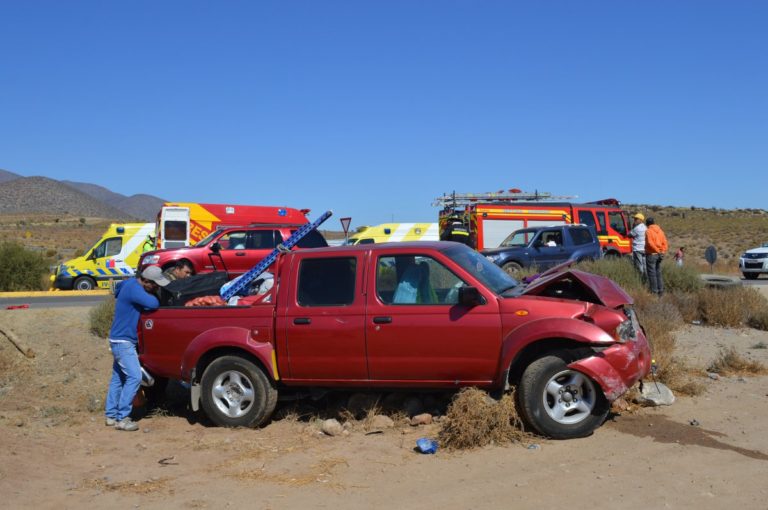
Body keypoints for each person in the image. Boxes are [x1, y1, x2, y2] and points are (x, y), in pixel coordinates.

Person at [105, 265, 169, 431]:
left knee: (118, 379)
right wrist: (152, 296)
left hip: (117, 339)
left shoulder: (129, 284)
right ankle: (123, 418)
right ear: (146, 281)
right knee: (134, 376)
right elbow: (153, 303)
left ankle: (111, 415)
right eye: (154, 285)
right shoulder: (135, 289)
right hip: (124, 341)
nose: (156, 288)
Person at [644, 217, 668, 296]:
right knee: (658, 273)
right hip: (659, 255)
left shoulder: (648, 231)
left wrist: (657, 251)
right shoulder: (660, 231)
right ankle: (661, 291)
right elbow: (665, 242)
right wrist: (662, 252)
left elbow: (650, 243)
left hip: (651, 254)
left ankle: (654, 292)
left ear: (647, 224)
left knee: (652, 274)